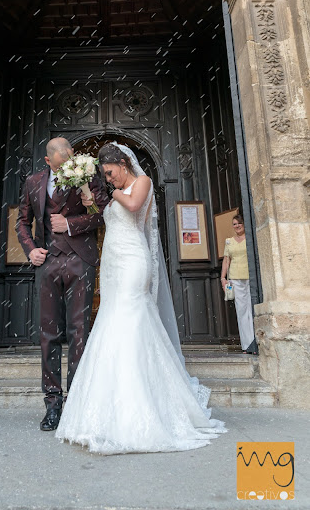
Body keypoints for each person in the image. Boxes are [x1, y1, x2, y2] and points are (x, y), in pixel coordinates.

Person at [55, 142, 227, 454]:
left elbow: (133, 206)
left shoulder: (141, 182)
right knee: (111, 322)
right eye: (105, 175)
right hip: (113, 265)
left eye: (111, 173)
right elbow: (105, 212)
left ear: (123, 162)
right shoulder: (113, 191)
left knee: (132, 321)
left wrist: (107, 193)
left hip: (134, 261)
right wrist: (91, 200)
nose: (110, 179)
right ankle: (107, 410)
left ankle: (143, 409)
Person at [16, 137, 109, 431]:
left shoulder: (89, 175)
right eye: (62, 154)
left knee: (79, 330)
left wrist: (70, 224)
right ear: (48, 161)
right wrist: (30, 248)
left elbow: (101, 215)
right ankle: (53, 404)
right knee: (48, 334)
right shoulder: (33, 182)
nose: (68, 156)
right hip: (47, 264)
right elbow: (22, 222)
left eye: (70, 151)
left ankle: (77, 402)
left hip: (80, 260)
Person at [221, 214, 258, 355]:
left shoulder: (250, 237)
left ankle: (256, 342)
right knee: (241, 310)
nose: (237, 226)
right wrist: (223, 278)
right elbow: (226, 260)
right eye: (234, 224)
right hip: (235, 278)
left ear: (244, 224)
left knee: (252, 309)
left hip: (250, 276)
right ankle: (247, 344)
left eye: (239, 223)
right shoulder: (229, 241)